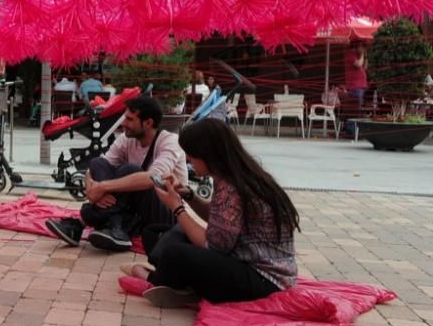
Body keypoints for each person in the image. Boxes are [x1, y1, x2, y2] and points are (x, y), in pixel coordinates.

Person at [124, 119, 299, 308]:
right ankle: (181, 284)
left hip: (264, 280)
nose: (188, 160)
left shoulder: (233, 188)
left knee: (175, 252)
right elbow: (218, 219)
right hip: (245, 261)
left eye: (191, 154)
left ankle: (152, 277)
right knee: (156, 233)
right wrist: (189, 195)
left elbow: (213, 245)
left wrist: (177, 208)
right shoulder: (235, 175)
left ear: (207, 154)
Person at [44, 96, 188, 252]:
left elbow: (152, 178)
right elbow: (94, 169)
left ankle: (81, 222)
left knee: (130, 170)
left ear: (148, 123)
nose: (123, 124)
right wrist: (92, 189)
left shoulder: (170, 141)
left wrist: (102, 187)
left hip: (167, 212)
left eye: (129, 119)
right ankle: (116, 226)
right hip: (134, 209)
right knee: (97, 163)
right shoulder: (127, 139)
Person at [344, 40, 368, 136]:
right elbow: (358, 64)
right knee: (355, 109)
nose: (363, 49)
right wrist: (362, 55)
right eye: (362, 47)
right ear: (357, 47)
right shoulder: (350, 54)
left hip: (360, 86)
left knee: (357, 109)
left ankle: (352, 129)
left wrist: (365, 56)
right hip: (355, 87)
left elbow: (365, 67)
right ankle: (352, 130)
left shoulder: (356, 56)